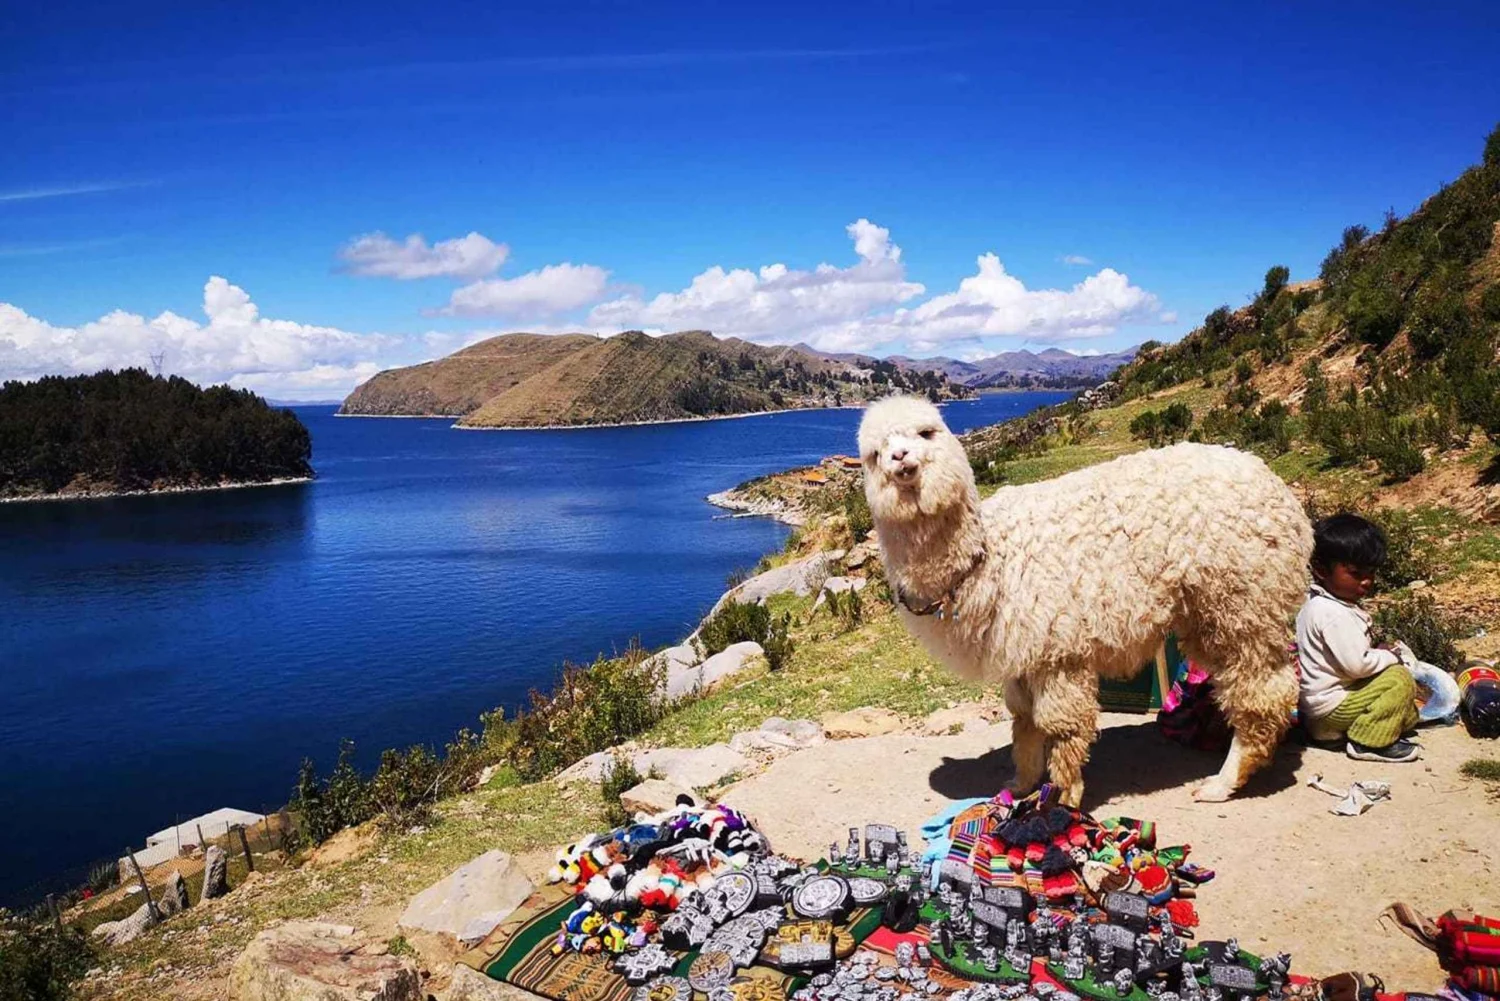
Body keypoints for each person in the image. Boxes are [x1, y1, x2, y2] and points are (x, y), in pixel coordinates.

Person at [1296, 514, 1421, 762]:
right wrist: (1389, 657)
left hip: (1316, 708)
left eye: (1371, 572)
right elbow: (1357, 665)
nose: (1367, 581)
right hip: (1331, 706)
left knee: (1396, 693)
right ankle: (1369, 743)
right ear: (1321, 570)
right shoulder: (1334, 614)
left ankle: (1329, 734)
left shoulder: (1318, 603)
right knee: (1399, 679)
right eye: (1355, 573)